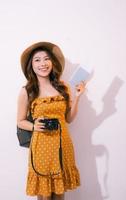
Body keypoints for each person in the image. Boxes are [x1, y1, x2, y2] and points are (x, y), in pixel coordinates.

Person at [17, 41, 86, 200]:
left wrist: (77, 98)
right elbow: (20, 121)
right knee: (45, 195)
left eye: (46, 58)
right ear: (31, 65)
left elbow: (68, 119)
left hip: (63, 145)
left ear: (52, 62)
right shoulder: (27, 90)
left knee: (60, 194)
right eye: (37, 60)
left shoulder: (63, 87)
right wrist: (35, 126)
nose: (43, 63)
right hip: (41, 147)